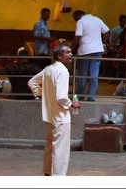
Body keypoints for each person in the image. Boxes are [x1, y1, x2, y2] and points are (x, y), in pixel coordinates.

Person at [28, 44, 80, 176]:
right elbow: (61, 97)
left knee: (50, 148)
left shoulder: (48, 69)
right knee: (60, 152)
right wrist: (72, 104)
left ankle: (47, 172)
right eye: (67, 52)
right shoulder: (62, 72)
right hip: (60, 118)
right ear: (59, 56)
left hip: (50, 117)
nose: (71, 54)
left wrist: (42, 93)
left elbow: (32, 82)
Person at [72, 10, 109, 101]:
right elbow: (107, 31)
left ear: (78, 16)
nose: (75, 21)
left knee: (82, 75)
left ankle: (80, 96)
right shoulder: (97, 19)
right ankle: (91, 97)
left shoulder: (81, 21)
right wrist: (104, 45)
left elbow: (77, 36)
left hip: (85, 52)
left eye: (75, 19)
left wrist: (70, 48)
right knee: (93, 76)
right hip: (97, 51)